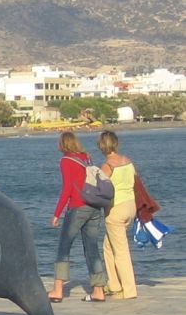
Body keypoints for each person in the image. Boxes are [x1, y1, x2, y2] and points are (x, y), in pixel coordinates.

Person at [47, 131, 107, 303]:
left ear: (63, 144)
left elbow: (67, 188)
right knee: (92, 249)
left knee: (64, 247)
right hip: (94, 206)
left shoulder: (66, 161)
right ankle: (98, 290)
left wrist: (57, 213)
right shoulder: (86, 157)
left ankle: (58, 290)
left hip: (78, 207)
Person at [98, 130, 138, 299]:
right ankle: (114, 284)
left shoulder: (107, 167)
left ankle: (129, 290)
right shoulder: (127, 161)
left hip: (116, 209)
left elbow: (99, 188)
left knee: (121, 250)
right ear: (116, 143)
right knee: (108, 246)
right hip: (131, 206)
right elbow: (135, 180)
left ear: (101, 146)